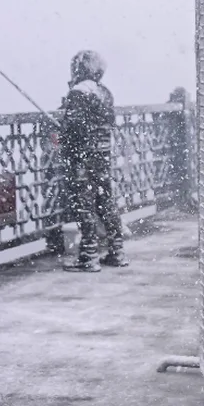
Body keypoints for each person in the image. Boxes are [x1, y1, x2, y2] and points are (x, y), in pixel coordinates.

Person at [61, 50, 126, 272]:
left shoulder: (78, 92)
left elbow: (73, 128)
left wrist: (63, 127)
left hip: (83, 158)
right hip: (103, 156)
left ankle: (89, 256)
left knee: (84, 205)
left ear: (78, 68)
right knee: (106, 202)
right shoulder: (105, 92)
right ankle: (117, 252)